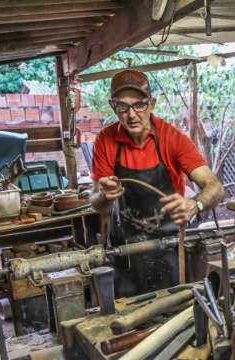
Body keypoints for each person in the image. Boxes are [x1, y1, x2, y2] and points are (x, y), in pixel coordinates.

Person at [90, 70, 224, 297]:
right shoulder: (106, 140)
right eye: (123, 107)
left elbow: (216, 188)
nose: (131, 115)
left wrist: (195, 205)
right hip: (126, 248)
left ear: (151, 104)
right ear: (113, 107)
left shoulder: (173, 139)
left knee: (172, 315)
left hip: (169, 247)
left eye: (139, 105)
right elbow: (96, 204)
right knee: (128, 318)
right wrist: (105, 196)